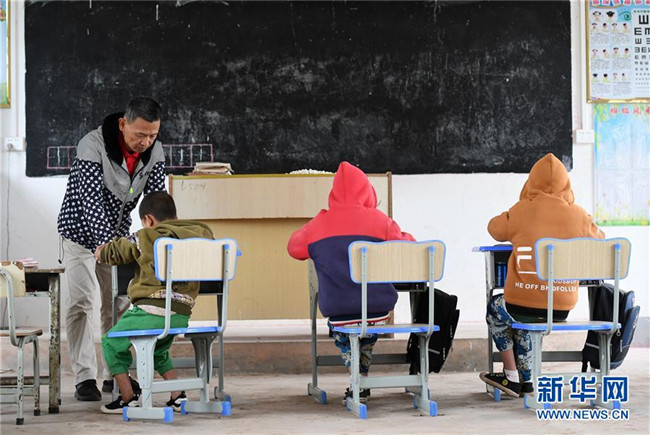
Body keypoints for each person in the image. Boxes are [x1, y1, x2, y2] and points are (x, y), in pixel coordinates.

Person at [57, 97, 166, 401]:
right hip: (79, 235)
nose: (146, 142)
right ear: (122, 124)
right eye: (139, 135)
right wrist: (105, 246)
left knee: (117, 305)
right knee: (81, 302)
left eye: (152, 135)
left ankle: (114, 373)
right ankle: (84, 377)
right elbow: (91, 202)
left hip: (115, 238)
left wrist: (162, 238)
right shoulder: (92, 146)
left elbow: (156, 202)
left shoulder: (155, 151)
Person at [287, 161, 415, 404]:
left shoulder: (319, 225)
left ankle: (357, 378)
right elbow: (409, 247)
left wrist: (316, 222)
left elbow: (294, 248)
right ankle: (361, 378)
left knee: (346, 331)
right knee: (367, 328)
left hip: (338, 309)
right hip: (377, 308)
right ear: (367, 192)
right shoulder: (381, 221)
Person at [479, 153, 604, 397]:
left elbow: (494, 228)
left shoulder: (521, 211)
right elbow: (601, 239)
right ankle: (527, 383)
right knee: (525, 321)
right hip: (561, 307)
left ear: (531, 183)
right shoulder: (579, 215)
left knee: (497, 308)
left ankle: (511, 375)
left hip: (521, 304)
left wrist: (519, 207)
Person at [95, 191, 214, 413]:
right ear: (175, 215)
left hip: (151, 311)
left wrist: (101, 252)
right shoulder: (202, 236)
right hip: (181, 314)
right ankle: (177, 396)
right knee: (158, 350)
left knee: (110, 343)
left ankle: (128, 398)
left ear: (148, 220)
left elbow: (117, 251)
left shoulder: (146, 236)